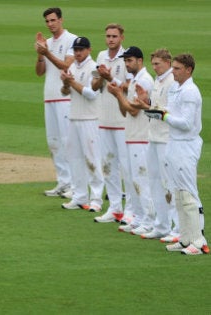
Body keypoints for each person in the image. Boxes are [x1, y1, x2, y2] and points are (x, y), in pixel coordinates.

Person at [143, 54, 208, 255]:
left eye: (178, 68)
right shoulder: (175, 88)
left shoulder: (190, 91)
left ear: (188, 70)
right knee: (178, 193)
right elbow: (169, 112)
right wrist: (155, 110)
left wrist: (164, 115)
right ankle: (185, 237)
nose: (174, 71)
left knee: (188, 193)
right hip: (173, 143)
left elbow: (186, 123)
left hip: (186, 145)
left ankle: (199, 241)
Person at [106, 46, 154, 236]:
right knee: (134, 180)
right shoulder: (134, 81)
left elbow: (134, 111)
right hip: (132, 135)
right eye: (125, 61)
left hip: (141, 137)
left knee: (142, 180)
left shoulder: (144, 81)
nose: (127, 64)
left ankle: (149, 221)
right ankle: (140, 218)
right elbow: (125, 110)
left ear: (140, 61)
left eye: (130, 60)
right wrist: (119, 95)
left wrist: (118, 94)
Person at [131, 49, 178, 240]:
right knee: (155, 182)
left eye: (158, 63)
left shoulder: (172, 82)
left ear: (168, 62)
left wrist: (147, 106)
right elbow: (156, 106)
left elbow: (169, 112)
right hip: (154, 136)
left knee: (169, 184)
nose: (155, 67)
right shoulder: (159, 81)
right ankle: (161, 225)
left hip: (166, 139)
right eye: (153, 63)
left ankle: (177, 228)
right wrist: (147, 100)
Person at [91, 24, 132, 224]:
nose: (110, 39)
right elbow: (94, 84)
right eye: (108, 36)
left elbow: (131, 86)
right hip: (104, 119)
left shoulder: (127, 58)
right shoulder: (100, 56)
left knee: (127, 166)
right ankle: (115, 208)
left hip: (123, 120)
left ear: (122, 38)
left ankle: (131, 210)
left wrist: (111, 77)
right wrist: (101, 77)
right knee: (108, 166)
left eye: (114, 36)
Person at [34, 7, 76, 199]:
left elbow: (66, 66)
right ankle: (63, 181)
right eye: (47, 21)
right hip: (49, 96)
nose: (50, 24)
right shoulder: (47, 43)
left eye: (53, 20)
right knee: (53, 142)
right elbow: (40, 72)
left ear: (61, 20)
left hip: (65, 98)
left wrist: (47, 52)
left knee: (68, 141)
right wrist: (40, 54)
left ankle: (75, 184)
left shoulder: (72, 40)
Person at [59, 37, 103, 212]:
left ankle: (97, 199)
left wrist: (72, 83)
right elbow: (65, 92)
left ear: (89, 50)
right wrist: (65, 84)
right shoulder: (71, 67)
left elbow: (92, 94)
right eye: (76, 50)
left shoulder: (94, 68)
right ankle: (79, 196)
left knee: (92, 158)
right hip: (74, 117)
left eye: (81, 49)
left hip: (90, 119)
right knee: (75, 158)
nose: (78, 53)